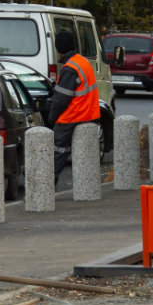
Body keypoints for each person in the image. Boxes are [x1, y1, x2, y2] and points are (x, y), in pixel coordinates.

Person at [46, 30, 99, 187]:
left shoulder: (70, 68)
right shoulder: (82, 61)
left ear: (58, 48)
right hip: (89, 113)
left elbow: (61, 99)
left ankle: (45, 188)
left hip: (72, 115)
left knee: (56, 151)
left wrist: (52, 118)